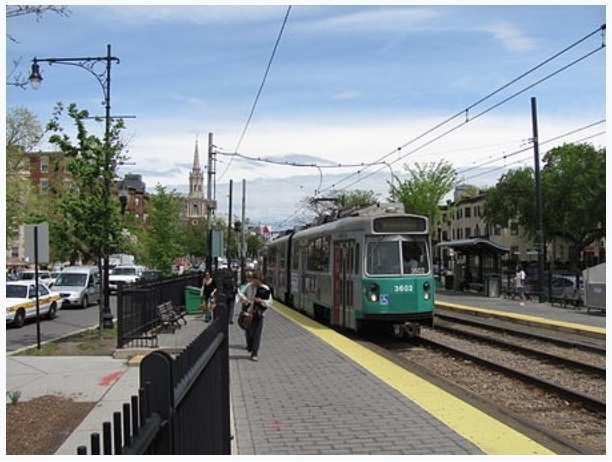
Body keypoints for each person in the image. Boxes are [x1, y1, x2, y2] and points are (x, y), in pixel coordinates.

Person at [238, 272, 272, 362]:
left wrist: (261, 301)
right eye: (255, 282)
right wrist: (243, 298)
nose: (256, 284)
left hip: (258, 314)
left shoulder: (265, 289)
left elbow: (270, 302)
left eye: (258, 283)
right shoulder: (249, 286)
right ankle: (250, 345)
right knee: (249, 332)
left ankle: (255, 353)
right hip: (249, 312)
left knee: (257, 333)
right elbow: (239, 292)